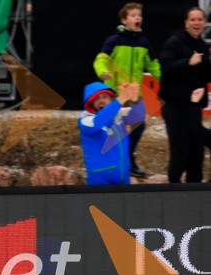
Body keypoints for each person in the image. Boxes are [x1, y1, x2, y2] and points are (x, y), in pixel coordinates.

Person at [93, 2, 161, 178]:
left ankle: (128, 160)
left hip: (135, 96)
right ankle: (115, 164)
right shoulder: (114, 41)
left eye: (139, 15)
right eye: (133, 15)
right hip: (116, 96)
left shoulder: (144, 43)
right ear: (124, 20)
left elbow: (154, 66)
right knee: (116, 131)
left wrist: (166, 79)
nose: (137, 18)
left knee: (139, 126)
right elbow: (100, 60)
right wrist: (103, 72)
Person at [159, 7, 211, 183]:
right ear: (186, 23)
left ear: (204, 23)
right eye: (193, 20)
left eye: (199, 20)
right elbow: (165, 67)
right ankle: (173, 191)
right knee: (180, 152)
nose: (196, 23)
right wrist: (188, 62)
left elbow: (204, 74)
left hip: (193, 105)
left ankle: (195, 193)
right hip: (175, 105)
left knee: (196, 153)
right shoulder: (175, 42)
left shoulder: (202, 45)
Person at [79, 81, 144, 185]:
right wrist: (120, 99)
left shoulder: (119, 114)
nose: (101, 101)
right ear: (90, 102)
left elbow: (138, 117)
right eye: (97, 98)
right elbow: (98, 121)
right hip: (100, 181)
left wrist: (135, 99)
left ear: (110, 99)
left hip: (123, 176)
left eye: (105, 97)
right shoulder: (86, 119)